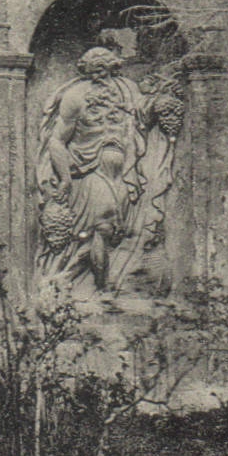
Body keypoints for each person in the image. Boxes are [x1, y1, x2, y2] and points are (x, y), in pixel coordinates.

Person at [36, 46, 151, 295]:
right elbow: (57, 141)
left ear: (112, 67)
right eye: (92, 72)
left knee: (107, 233)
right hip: (89, 172)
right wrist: (65, 179)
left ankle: (64, 278)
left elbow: (146, 114)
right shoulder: (75, 97)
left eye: (102, 70)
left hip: (123, 174)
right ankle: (102, 290)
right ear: (85, 72)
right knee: (103, 228)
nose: (98, 76)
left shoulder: (127, 91)